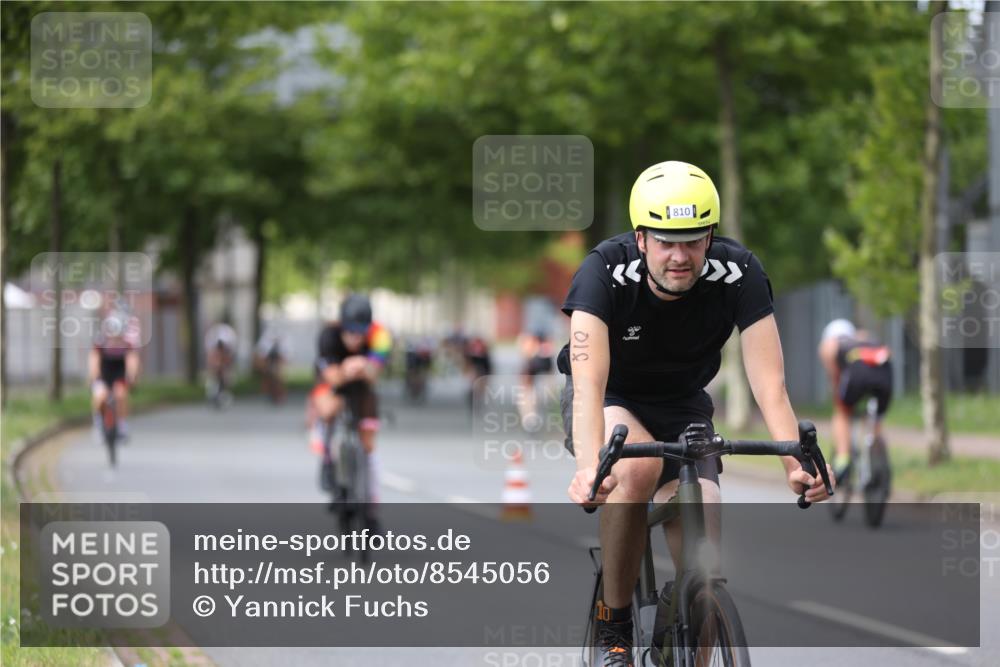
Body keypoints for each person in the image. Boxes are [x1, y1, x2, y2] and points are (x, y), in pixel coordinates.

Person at [560, 160, 833, 665]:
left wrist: (796, 462)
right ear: (641, 238)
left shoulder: (741, 272)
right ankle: (613, 625)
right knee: (636, 470)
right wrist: (587, 470)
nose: (680, 256)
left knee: (703, 510)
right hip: (612, 396)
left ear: (710, 236)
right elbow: (587, 384)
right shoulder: (603, 271)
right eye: (665, 241)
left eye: (693, 240)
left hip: (684, 403)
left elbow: (769, 385)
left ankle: (692, 621)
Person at [310, 294, 392, 523]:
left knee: (368, 444)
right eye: (350, 332)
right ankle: (328, 459)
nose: (355, 339)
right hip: (332, 381)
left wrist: (366, 367)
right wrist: (346, 370)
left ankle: (372, 509)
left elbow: (376, 373)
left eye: (360, 333)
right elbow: (331, 376)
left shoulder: (380, 336)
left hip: (362, 385)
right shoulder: (328, 336)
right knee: (328, 410)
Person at [817, 318, 893, 480]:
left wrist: (838, 393)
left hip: (857, 376)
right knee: (874, 417)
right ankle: (877, 456)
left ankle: (843, 460)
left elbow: (835, 375)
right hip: (885, 376)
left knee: (842, 413)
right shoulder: (863, 337)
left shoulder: (830, 343)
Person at [89, 308, 141, 440]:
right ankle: (99, 424)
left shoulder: (127, 344)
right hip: (104, 372)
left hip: (119, 372)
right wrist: (95, 376)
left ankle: (122, 426)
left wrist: (132, 376)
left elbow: (132, 360)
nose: (114, 337)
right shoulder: (100, 342)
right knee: (100, 397)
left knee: (121, 395)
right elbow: (94, 359)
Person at [204, 319, 238, 405]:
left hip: (227, 355)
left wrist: (225, 365)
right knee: (214, 372)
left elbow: (230, 356)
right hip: (215, 353)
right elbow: (210, 355)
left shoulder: (230, 337)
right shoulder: (212, 338)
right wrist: (214, 365)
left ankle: (226, 390)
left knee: (226, 374)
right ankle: (212, 390)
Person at [254, 328, 289, 404]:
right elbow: (262, 356)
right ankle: (268, 390)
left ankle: (280, 393)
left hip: (277, 358)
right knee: (267, 373)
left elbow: (284, 357)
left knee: (279, 375)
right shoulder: (266, 343)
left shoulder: (283, 344)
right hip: (269, 358)